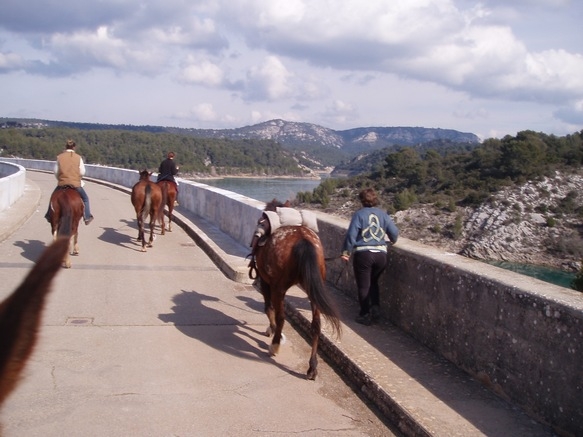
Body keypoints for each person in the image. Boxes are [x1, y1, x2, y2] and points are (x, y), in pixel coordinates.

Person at [341, 188, 399, 325]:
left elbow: (351, 236)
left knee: (363, 286)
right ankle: (376, 308)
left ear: (362, 200)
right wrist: (392, 240)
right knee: (374, 282)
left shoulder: (359, 215)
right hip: (381, 255)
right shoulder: (384, 215)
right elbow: (394, 234)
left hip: (364, 254)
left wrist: (346, 253)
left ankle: (365, 314)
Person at [45, 139, 94, 225]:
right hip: (75, 184)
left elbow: (56, 171)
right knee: (85, 198)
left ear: (66, 147)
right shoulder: (78, 157)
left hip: (62, 183)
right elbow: (82, 172)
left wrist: (60, 179)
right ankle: (87, 217)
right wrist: (77, 178)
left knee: (53, 197)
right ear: (74, 147)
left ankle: (49, 215)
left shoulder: (60, 157)